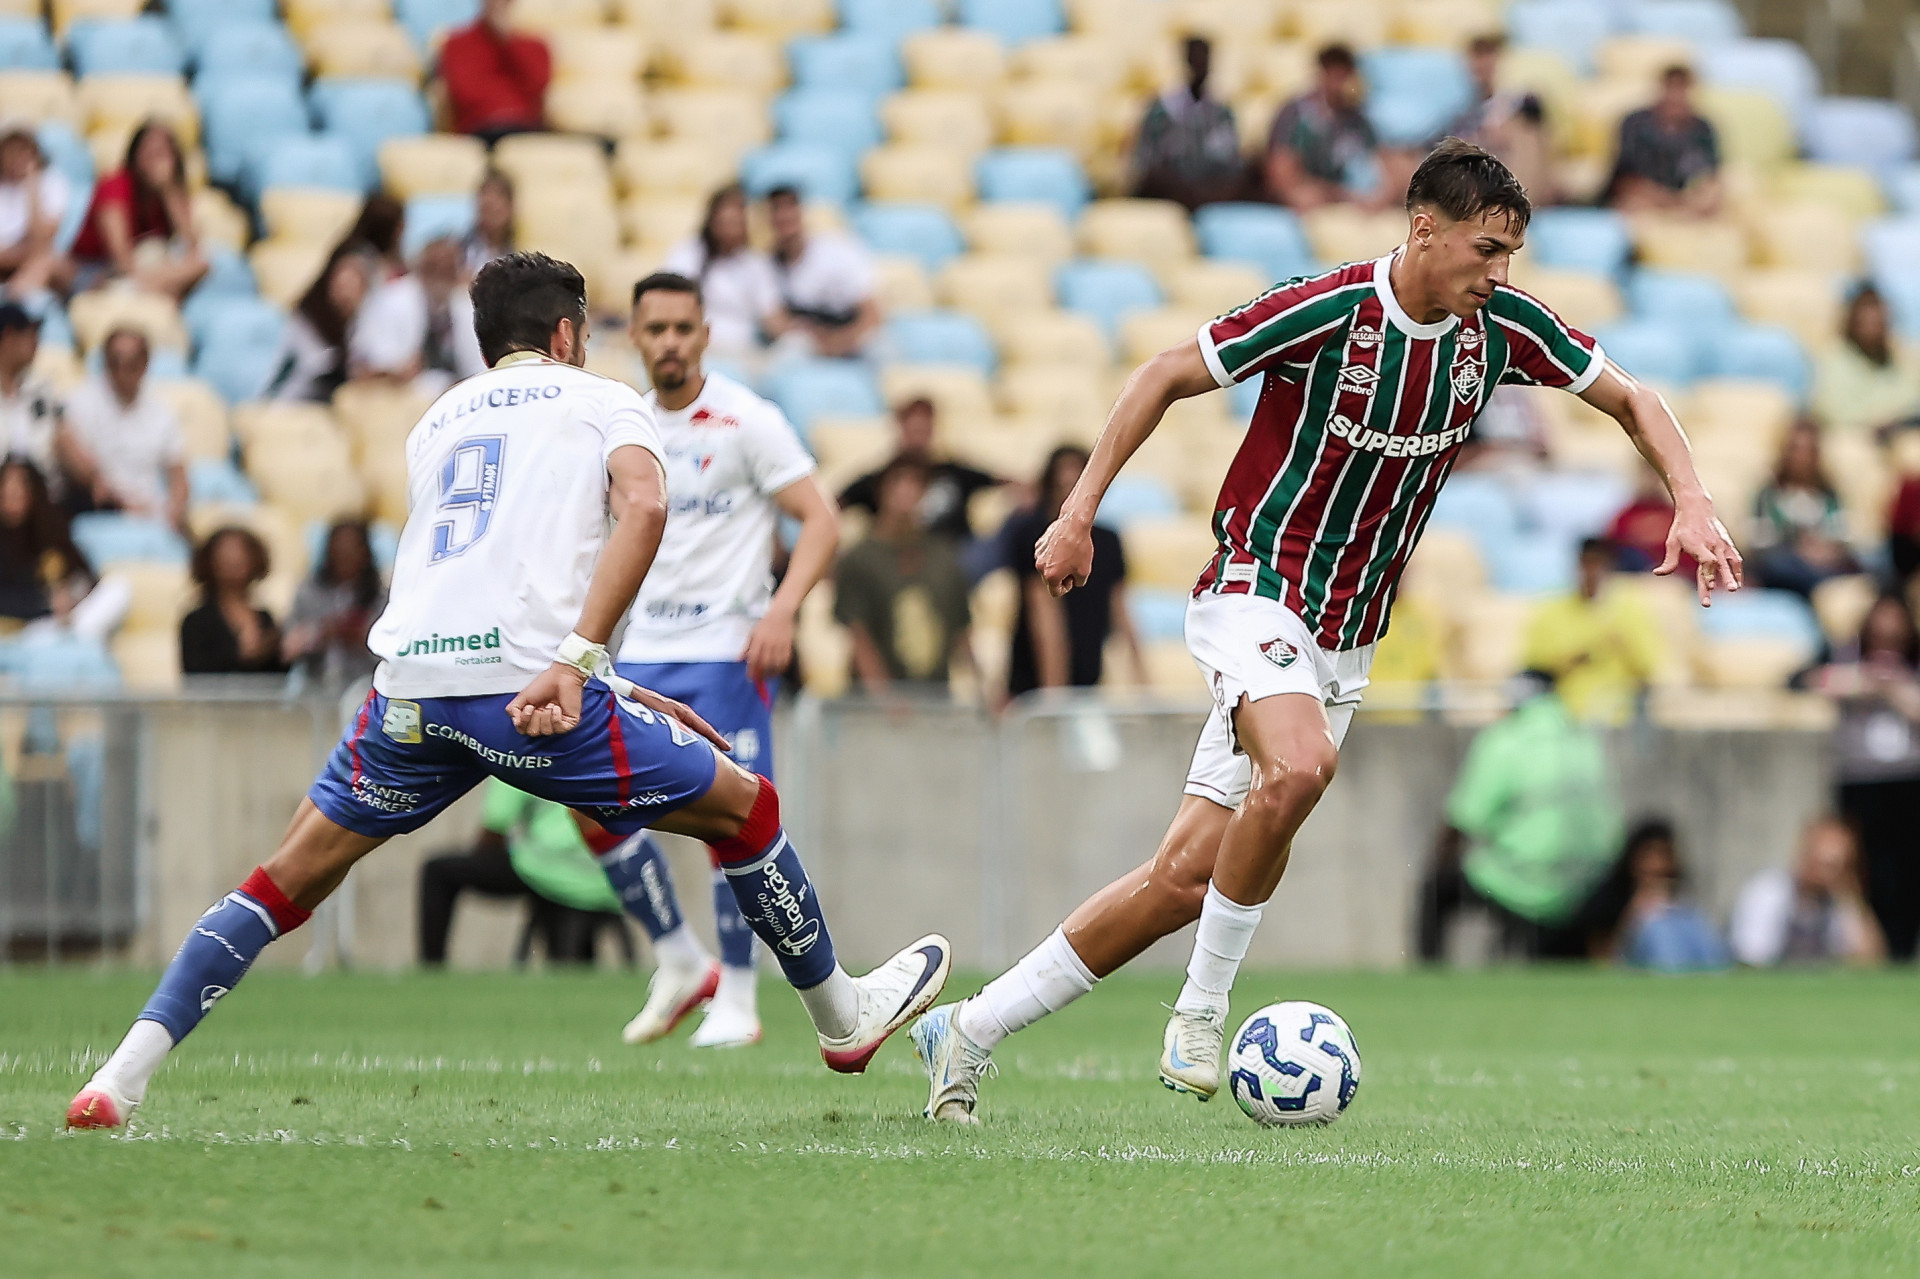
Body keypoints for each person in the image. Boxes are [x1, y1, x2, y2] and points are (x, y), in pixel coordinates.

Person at [908, 138, 1743, 1124]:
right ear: (1423, 229)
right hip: (1255, 587)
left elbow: (1633, 396)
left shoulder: (1501, 331)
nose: (1499, 273)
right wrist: (1078, 512)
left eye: (1511, 254)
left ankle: (967, 1028)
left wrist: (1689, 496)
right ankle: (1202, 1012)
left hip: (1347, 636)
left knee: (1183, 881)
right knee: (1298, 770)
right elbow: (1168, 372)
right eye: (1486, 250)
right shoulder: (1330, 309)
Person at [68, 252, 949, 1130]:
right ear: (568, 333)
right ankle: (843, 1018)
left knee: (279, 882)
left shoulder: (436, 419)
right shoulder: (605, 398)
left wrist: (613, 681)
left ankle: (118, 1077)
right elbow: (644, 510)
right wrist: (575, 662)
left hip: (408, 695)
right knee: (747, 810)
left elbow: (486, 578)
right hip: (530, 697)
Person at [596, 271, 840, 1050]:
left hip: (725, 652)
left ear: (704, 334)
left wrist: (781, 610)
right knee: (582, 801)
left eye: (683, 328)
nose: (669, 341)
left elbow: (821, 520)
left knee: (725, 816)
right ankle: (677, 958)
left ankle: (737, 993)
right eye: (655, 328)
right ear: (634, 336)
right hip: (640, 653)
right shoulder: (619, 426)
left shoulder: (746, 419)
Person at [1415, 671, 1622, 961]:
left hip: (1522, 881)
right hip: (1586, 883)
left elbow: (1462, 820)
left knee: (1437, 888)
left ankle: (1430, 975)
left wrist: (1439, 859)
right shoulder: (1583, 738)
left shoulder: (1505, 739)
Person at [1799, 593, 1920, 960]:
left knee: (1909, 867)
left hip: (1908, 779)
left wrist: (1894, 689)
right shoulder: (1846, 659)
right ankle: (1876, 947)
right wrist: (1866, 683)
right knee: (1867, 868)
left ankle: (1902, 946)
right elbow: (1805, 680)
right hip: (1860, 779)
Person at [418, 779, 631, 967]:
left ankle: (432, 967)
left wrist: (483, 859)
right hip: (609, 877)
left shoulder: (518, 753)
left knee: (437, 870)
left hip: (547, 870)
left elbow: (495, 826)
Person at [1004, 445, 1147, 699]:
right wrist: (1055, 696)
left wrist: (1144, 684)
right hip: (1033, 690)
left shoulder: (1108, 541)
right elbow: (1044, 617)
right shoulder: (1034, 535)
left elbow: (1121, 611)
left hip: (1085, 683)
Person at [835, 457, 976, 699]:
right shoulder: (859, 558)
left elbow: (960, 631)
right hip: (873, 710)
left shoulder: (943, 555)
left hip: (935, 701)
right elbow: (858, 635)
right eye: (898, 483)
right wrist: (884, 697)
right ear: (881, 491)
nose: (906, 492)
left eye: (916, 484)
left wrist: (986, 690)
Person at [1520, 537, 1663, 724]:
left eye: (1598, 564)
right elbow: (1534, 665)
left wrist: (1622, 645)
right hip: (1562, 713)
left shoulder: (1630, 612)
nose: (1591, 572)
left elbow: (1650, 667)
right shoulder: (1553, 611)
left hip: (1618, 717)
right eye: (1586, 564)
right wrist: (1571, 658)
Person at [58, 328, 188, 533]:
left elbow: (178, 473)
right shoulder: (80, 400)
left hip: (152, 516)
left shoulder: (162, 411)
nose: (121, 370)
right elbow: (67, 448)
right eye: (114, 361)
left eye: (131, 363)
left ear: (145, 363)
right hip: (101, 514)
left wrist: (174, 512)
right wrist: (116, 500)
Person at [69, 122, 206, 299]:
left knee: (201, 264)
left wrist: (168, 191)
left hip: (146, 272)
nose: (156, 163)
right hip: (98, 268)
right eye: (149, 154)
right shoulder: (115, 187)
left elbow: (192, 245)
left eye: (162, 155)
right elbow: (120, 256)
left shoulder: (171, 193)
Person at [837, 397, 1002, 544]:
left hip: (954, 558)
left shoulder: (953, 473)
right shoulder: (880, 478)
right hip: (899, 559)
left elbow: (1000, 481)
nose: (918, 439)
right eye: (914, 430)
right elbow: (838, 503)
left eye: (924, 431)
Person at [1729, 816, 1886, 966]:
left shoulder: (1837, 902)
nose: (1831, 874)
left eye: (1841, 866)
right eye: (1827, 864)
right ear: (1806, 856)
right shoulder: (1769, 891)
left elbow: (1870, 960)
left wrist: (1849, 896)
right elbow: (1751, 959)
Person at [349, 235, 487, 395]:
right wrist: (398, 367)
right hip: (401, 391)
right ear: (421, 267)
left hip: (457, 390)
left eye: (448, 268)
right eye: (435, 267)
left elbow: (478, 363)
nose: (441, 273)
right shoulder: (392, 298)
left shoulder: (464, 305)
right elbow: (373, 357)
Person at [1264, 44, 1393, 212]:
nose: (1340, 81)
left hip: (1351, 194)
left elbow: (1380, 160)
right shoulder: (1296, 113)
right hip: (1314, 192)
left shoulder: (1358, 118)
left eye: (1345, 74)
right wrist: (1332, 193)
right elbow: (1281, 168)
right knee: (1305, 197)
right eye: (1334, 73)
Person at [662, 185, 782, 358]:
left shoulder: (755, 265)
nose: (730, 225)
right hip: (696, 350)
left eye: (736, 220)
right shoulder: (688, 255)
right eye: (725, 220)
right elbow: (668, 304)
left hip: (744, 353)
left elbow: (772, 316)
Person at [1130, 36, 1246, 212]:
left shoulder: (1222, 112)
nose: (1201, 65)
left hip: (1212, 188)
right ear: (1185, 61)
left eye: (1205, 59)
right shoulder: (1161, 110)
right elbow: (1145, 161)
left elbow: (1232, 160)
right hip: (1171, 189)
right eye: (1195, 59)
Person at [765, 185, 879, 359]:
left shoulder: (837, 251)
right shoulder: (768, 265)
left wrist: (842, 341)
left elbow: (872, 312)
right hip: (811, 340)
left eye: (790, 207)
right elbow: (776, 321)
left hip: (851, 331)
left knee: (878, 347)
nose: (784, 216)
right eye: (777, 209)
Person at [1749, 420, 1856, 598]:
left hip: (1825, 562)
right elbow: (1759, 542)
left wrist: (1827, 550)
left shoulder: (1829, 495)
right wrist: (1797, 547)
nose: (1801, 457)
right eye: (1796, 449)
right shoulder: (1768, 495)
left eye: (1808, 450)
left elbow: (1841, 533)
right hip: (1783, 563)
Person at [1445, 34, 1553, 205]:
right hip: (1480, 179)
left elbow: (1535, 120)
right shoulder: (1462, 112)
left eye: (1487, 55)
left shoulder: (1518, 101)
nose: (1481, 64)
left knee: (1524, 131)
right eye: (1476, 56)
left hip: (1517, 171)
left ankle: (1520, 203)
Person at [1607, 820, 1728, 971]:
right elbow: (1605, 960)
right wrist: (1636, 914)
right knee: (1660, 930)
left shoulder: (1688, 912)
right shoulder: (1610, 902)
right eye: (1648, 855)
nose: (1656, 865)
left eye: (1663, 855)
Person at [1605, 64, 1722, 218]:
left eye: (1681, 89)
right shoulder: (1634, 123)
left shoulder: (1703, 129)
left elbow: (1712, 177)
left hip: (1688, 205)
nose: (1675, 96)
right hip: (1643, 200)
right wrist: (1669, 202)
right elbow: (1625, 181)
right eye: (1671, 88)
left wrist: (1694, 201)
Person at [282, 519, 386, 688]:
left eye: (352, 548)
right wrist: (320, 632)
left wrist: (363, 638)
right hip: (316, 689)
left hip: (365, 687)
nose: (345, 555)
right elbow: (288, 647)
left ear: (366, 552)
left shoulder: (381, 598)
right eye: (339, 548)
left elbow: (392, 652)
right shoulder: (308, 592)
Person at [268, 242, 377, 402]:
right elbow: (318, 368)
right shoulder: (306, 318)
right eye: (342, 282)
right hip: (289, 402)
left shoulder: (360, 325)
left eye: (354, 283)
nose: (345, 291)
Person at [1813, 284, 1920, 437]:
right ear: (1852, 322)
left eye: (1879, 322)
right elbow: (1836, 413)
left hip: (1901, 434)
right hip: (1855, 441)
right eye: (1867, 322)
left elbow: (1913, 400)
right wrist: (1884, 418)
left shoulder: (1901, 357)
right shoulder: (1831, 361)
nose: (1874, 327)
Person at [438, 0, 550, 143]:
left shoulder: (535, 46)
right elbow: (464, 94)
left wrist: (508, 41)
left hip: (525, 128)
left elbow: (537, 87)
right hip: (479, 129)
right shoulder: (457, 44)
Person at [179, 525, 285, 676]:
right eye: (226, 553)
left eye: (240, 552)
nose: (234, 559)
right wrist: (242, 657)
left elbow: (276, 676)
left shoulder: (265, 618)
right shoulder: (196, 621)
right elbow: (196, 674)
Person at [0, 124, 71, 299]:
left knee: (44, 262)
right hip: (13, 261)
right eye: (11, 149)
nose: (17, 156)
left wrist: (32, 187)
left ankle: (12, 307)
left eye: (24, 148)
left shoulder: (53, 182)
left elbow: (42, 241)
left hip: (45, 262)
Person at [0, 302, 65, 487]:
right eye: (30, 334)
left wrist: (96, 481)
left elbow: (65, 439)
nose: (36, 342)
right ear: (9, 336)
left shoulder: (43, 389)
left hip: (41, 498)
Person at [462, 169, 515, 278]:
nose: (490, 201)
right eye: (485, 194)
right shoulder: (459, 250)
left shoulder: (519, 254)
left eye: (499, 195)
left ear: (510, 207)